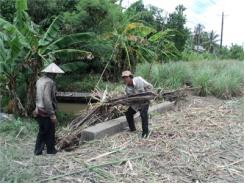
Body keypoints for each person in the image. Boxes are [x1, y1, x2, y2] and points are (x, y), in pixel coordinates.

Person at [33, 63, 64, 155]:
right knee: (49, 132)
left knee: (42, 131)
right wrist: (52, 114)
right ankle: (50, 151)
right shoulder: (50, 82)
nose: (56, 75)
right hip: (45, 111)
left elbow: (38, 96)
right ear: (52, 73)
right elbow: (47, 99)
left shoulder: (39, 80)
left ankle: (38, 150)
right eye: (55, 74)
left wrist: (36, 108)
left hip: (39, 109)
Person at [122, 70, 154, 138]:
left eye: (126, 77)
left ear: (130, 77)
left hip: (144, 101)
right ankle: (132, 129)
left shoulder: (139, 80)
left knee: (143, 115)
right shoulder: (127, 89)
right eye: (124, 78)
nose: (125, 79)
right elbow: (130, 99)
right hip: (136, 103)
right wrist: (126, 102)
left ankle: (145, 133)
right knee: (128, 114)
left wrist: (147, 95)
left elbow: (149, 86)